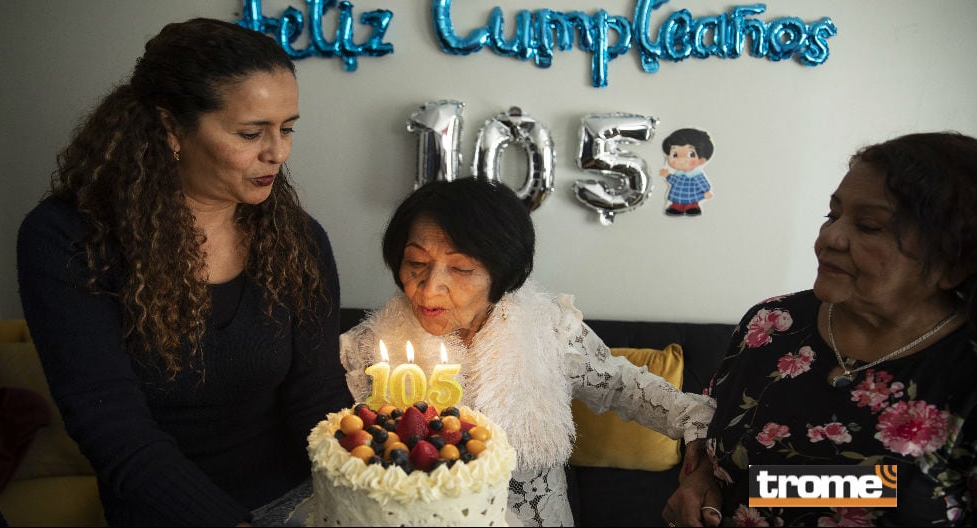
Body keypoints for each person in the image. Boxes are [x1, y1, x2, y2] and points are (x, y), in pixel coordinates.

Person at [16, 18, 353, 526]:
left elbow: (317, 395)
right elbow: (114, 430)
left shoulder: (298, 238)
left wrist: (376, 487)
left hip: (299, 499)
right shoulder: (69, 239)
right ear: (171, 127)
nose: (278, 153)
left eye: (287, 129)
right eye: (250, 132)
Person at [339, 177, 717, 526]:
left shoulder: (547, 329)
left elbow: (621, 385)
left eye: (460, 268)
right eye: (417, 263)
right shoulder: (368, 351)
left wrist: (697, 428)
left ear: (502, 275)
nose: (430, 287)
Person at [664, 131, 977, 527]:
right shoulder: (772, 324)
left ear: (955, 262)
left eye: (868, 226)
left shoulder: (964, 373)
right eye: (832, 215)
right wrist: (702, 481)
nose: (829, 238)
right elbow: (722, 444)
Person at [658, 127, 714, 216]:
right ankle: (676, 207)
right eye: (675, 154)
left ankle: (692, 207)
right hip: (678, 196)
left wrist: (706, 191)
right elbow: (674, 181)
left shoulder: (696, 175)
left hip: (692, 196)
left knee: (691, 203)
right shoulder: (678, 174)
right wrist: (667, 175)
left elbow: (702, 183)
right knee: (677, 203)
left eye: (691, 154)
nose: (681, 160)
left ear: (702, 160)